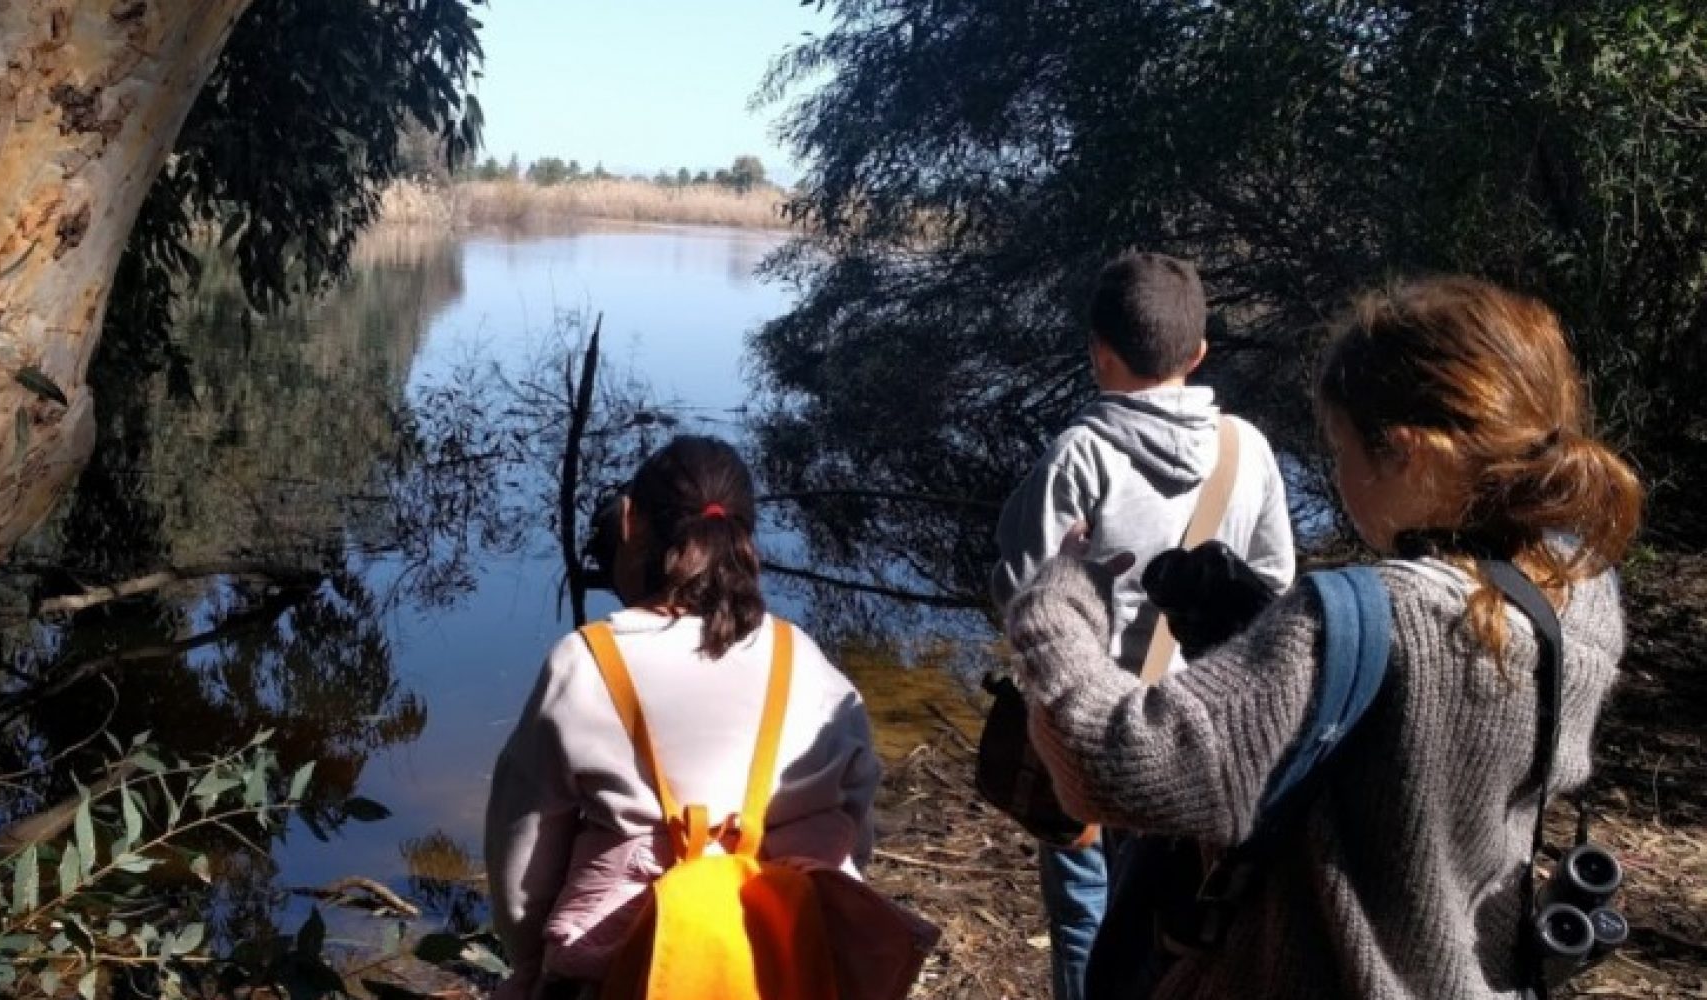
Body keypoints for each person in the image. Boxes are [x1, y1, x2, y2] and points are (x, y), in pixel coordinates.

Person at [1005, 276, 1641, 998]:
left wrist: (1056, 599)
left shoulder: (1374, 614)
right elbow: (1400, 757)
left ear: (1410, 454)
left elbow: (1110, 763)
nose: (1337, 474)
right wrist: (1250, 626)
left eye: (1340, 452)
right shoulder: (1582, 594)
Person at [989, 251, 1296, 1000]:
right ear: (1197, 354)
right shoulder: (1244, 448)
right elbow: (1276, 587)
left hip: (1091, 737)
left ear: (1099, 352)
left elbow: (1026, 602)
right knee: (1178, 925)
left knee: (1084, 919)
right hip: (1201, 739)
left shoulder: (1079, 457)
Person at [484, 435, 881, 999]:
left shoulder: (588, 664)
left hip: (622, 977)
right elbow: (856, 835)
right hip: (788, 969)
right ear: (745, 539)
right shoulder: (814, 671)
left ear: (627, 522)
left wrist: (528, 964)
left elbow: (520, 856)